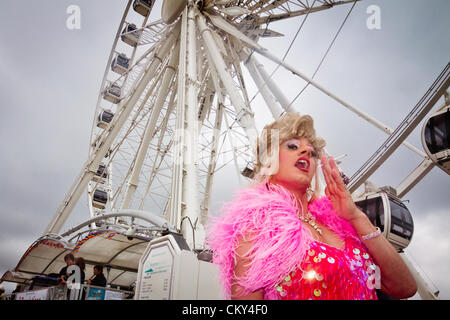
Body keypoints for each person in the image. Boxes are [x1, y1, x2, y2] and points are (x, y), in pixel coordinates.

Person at [207, 112, 417, 300]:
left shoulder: (343, 226)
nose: (306, 152)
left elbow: (403, 287)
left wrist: (356, 216)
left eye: (312, 152)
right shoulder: (256, 228)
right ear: (268, 159)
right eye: (293, 146)